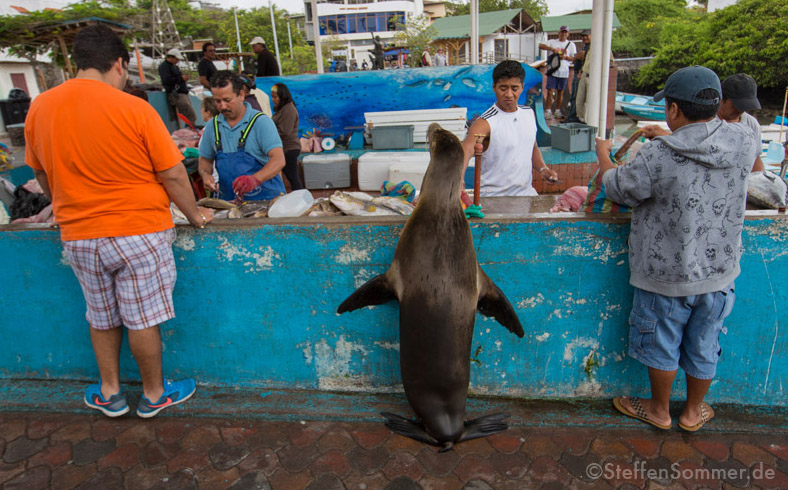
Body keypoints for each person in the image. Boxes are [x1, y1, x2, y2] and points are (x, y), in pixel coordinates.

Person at [24, 25, 211, 419]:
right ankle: (154, 395)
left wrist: (62, 203)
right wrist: (195, 215)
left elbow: (41, 172)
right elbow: (174, 175)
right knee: (142, 317)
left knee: (101, 315)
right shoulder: (133, 107)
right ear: (119, 63)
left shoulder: (41, 107)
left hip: (79, 235)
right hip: (138, 230)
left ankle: (110, 393)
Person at [596, 66, 755, 432]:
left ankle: (659, 410)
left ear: (672, 110)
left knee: (661, 346)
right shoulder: (744, 141)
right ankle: (692, 412)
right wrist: (670, 134)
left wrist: (603, 155)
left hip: (665, 277)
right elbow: (703, 144)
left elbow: (617, 188)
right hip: (719, 276)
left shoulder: (657, 157)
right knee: (704, 345)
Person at [461, 60, 558, 197]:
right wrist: (459, 179)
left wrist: (543, 169)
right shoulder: (485, 122)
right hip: (494, 199)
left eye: (514, 88)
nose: (509, 94)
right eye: (503, 88)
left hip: (526, 195)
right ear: (494, 87)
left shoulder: (528, 114)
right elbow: (466, 149)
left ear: (522, 87)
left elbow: (532, 146)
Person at [641, 73, 764, 172]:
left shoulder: (751, 126)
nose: (740, 111)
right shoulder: (706, 118)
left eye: (745, 106)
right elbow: (697, 149)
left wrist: (665, 136)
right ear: (722, 99)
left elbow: (756, 163)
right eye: (736, 105)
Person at [198, 70, 286, 202]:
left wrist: (255, 179)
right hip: (229, 200)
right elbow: (205, 160)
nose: (222, 106)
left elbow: (278, 159)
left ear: (241, 95)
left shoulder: (260, 122)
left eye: (227, 100)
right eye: (217, 101)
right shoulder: (212, 126)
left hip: (265, 199)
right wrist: (206, 175)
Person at [271, 83, 305, 191]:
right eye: (272, 97)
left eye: (275, 97)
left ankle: (301, 201)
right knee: (292, 178)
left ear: (282, 96)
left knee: (293, 179)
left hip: (289, 148)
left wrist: (268, 135)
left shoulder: (288, 109)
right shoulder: (282, 109)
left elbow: (285, 131)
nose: (273, 100)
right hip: (285, 148)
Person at [539, 25, 576, 119]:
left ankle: (558, 110)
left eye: (565, 32)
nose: (563, 34)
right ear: (558, 33)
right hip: (553, 70)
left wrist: (565, 57)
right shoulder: (553, 42)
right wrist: (552, 49)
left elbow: (574, 58)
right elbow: (541, 45)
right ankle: (548, 110)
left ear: (568, 34)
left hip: (564, 71)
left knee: (560, 92)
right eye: (562, 32)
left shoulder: (571, 45)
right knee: (550, 91)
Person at [158, 47, 197, 124]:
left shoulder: (174, 66)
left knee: (189, 111)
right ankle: (191, 128)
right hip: (176, 94)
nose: (178, 61)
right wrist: (180, 78)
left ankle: (190, 126)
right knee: (189, 114)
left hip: (181, 92)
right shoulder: (164, 67)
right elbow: (166, 80)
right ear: (171, 57)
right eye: (176, 59)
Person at [566, 30, 590, 123]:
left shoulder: (590, 47)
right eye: (583, 36)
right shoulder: (585, 46)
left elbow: (581, 55)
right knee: (574, 97)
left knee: (577, 97)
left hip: (581, 75)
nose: (584, 38)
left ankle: (574, 117)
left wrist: (575, 57)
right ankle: (573, 116)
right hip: (579, 73)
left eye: (586, 36)